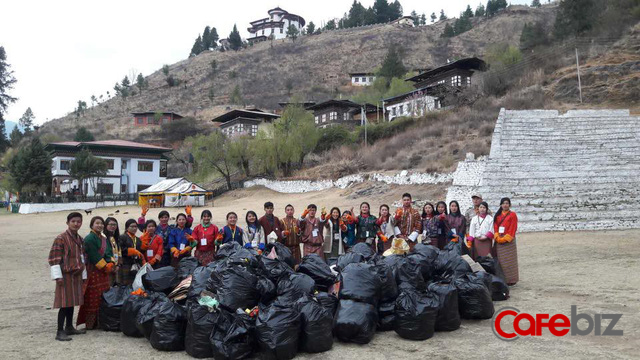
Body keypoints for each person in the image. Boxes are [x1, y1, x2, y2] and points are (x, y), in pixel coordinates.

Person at [48, 212, 87, 341]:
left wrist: (83, 275)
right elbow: (54, 259)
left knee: (72, 302)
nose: (76, 224)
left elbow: (82, 258)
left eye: (79, 221)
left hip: (76, 275)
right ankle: (60, 331)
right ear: (67, 223)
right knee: (64, 303)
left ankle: (69, 327)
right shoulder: (61, 238)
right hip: (64, 276)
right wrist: (58, 277)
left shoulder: (80, 239)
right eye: (73, 221)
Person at [77, 216, 114, 330]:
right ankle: (90, 323)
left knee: (103, 295)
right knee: (92, 297)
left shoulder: (103, 238)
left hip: (104, 272)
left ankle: (101, 321)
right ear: (92, 225)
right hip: (93, 271)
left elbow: (108, 251)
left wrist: (111, 262)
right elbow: (94, 255)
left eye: (101, 223)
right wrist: (105, 266)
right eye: (97, 223)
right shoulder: (89, 238)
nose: (100, 225)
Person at [493, 197, 519, 285]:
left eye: (507, 203)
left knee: (510, 261)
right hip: (499, 241)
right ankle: (503, 278)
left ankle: (511, 280)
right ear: (500, 205)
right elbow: (495, 226)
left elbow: (513, 227)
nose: (505, 205)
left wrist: (505, 238)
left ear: (510, 205)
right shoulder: (498, 215)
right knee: (501, 261)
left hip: (509, 242)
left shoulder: (513, 215)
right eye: (503, 203)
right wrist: (497, 236)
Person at [119, 219, 145, 285]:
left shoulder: (138, 239)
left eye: (136, 226)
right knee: (125, 282)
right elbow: (120, 250)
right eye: (132, 226)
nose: (134, 228)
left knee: (135, 282)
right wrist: (130, 251)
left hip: (135, 264)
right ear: (127, 227)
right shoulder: (122, 237)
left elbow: (139, 252)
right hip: (125, 264)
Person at [104, 217, 122, 286]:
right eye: (111, 224)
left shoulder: (115, 237)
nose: (113, 226)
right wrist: (113, 264)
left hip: (117, 266)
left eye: (115, 224)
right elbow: (106, 252)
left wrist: (118, 264)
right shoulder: (103, 238)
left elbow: (119, 251)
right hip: (108, 266)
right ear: (106, 225)